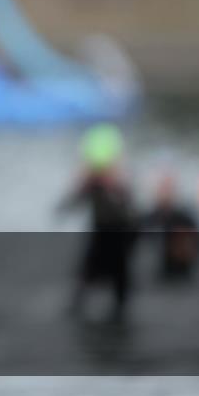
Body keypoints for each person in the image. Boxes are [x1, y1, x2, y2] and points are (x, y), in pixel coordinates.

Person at [58, 123, 138, 323]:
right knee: (86, 272)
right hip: (99, 233)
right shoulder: (91, 182)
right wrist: (82, 183)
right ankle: (76, 308)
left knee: (120, 275)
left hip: (120, 235)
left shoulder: (120, 182)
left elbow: (131, 211)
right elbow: (68, 205)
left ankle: (120, 312)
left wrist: (113, 185)